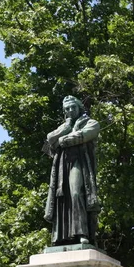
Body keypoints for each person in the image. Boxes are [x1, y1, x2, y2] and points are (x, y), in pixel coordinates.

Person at [44, 95, 100, 246]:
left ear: (79, 107)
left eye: (73, 107)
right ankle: (61, 237)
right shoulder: (64, 126)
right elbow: (50, 139)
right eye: (67, 109)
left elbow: (83, 135)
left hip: (79, 162)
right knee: (62, 198)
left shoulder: (90, 122)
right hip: (62, 164)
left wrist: (62, 139)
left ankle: (82, 233)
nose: (70, 110)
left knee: (76, 193)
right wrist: (66, 128)